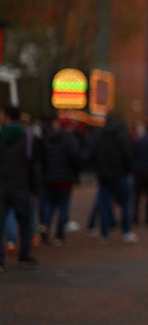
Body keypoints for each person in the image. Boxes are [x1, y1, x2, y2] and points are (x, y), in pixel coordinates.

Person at [0, 105, 41, 271]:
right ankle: (24, 256)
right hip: (21, 185)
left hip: (1, 186)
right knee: (25, 222)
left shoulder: (0, 135)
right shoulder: (28, 136)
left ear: (7, 117)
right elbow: (33, 165)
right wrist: (35, 189)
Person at [89, 112, 137, 244]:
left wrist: (98, 169)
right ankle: (126, 231)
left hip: (104, 175)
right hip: (121, 174)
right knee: (126, 204)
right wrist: (128, 170)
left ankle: (104, 233)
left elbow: (92, 154)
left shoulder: (99, 135)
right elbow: (128, 155)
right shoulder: (122, 134)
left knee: (104, 203)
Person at [38, 117, 82, 246]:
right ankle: (59, 234)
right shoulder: (70, 139)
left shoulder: (48, 137)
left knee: (49, 205)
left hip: (49, 178)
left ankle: (45, 227)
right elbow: (75, 157)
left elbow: (43, 157)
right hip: (65, 179)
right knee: (63, 206)